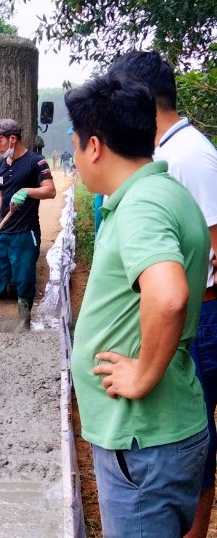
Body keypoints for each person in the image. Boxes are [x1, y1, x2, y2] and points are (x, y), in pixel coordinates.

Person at [66, 72, 211, 536]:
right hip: (154, 438)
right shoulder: (163, 192)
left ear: (93, 146)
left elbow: (168, 297)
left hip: (142, 444)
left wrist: (143, 373)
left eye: (73, 143)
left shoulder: (142, 206)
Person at [109, 50, 217, 538]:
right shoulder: (168, 153)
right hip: (184, 314)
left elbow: (213, 248)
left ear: (142, 102)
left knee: (197, 441)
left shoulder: (191, 157)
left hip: (202, 315)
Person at [0, 118, 56, 333]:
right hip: (2, 232)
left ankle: (23, 322)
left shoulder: (36, 162)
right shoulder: (1, 164)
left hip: (25, 234)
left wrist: (27, 191)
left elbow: (50, 190)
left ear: (13, 139)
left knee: (23, 278)